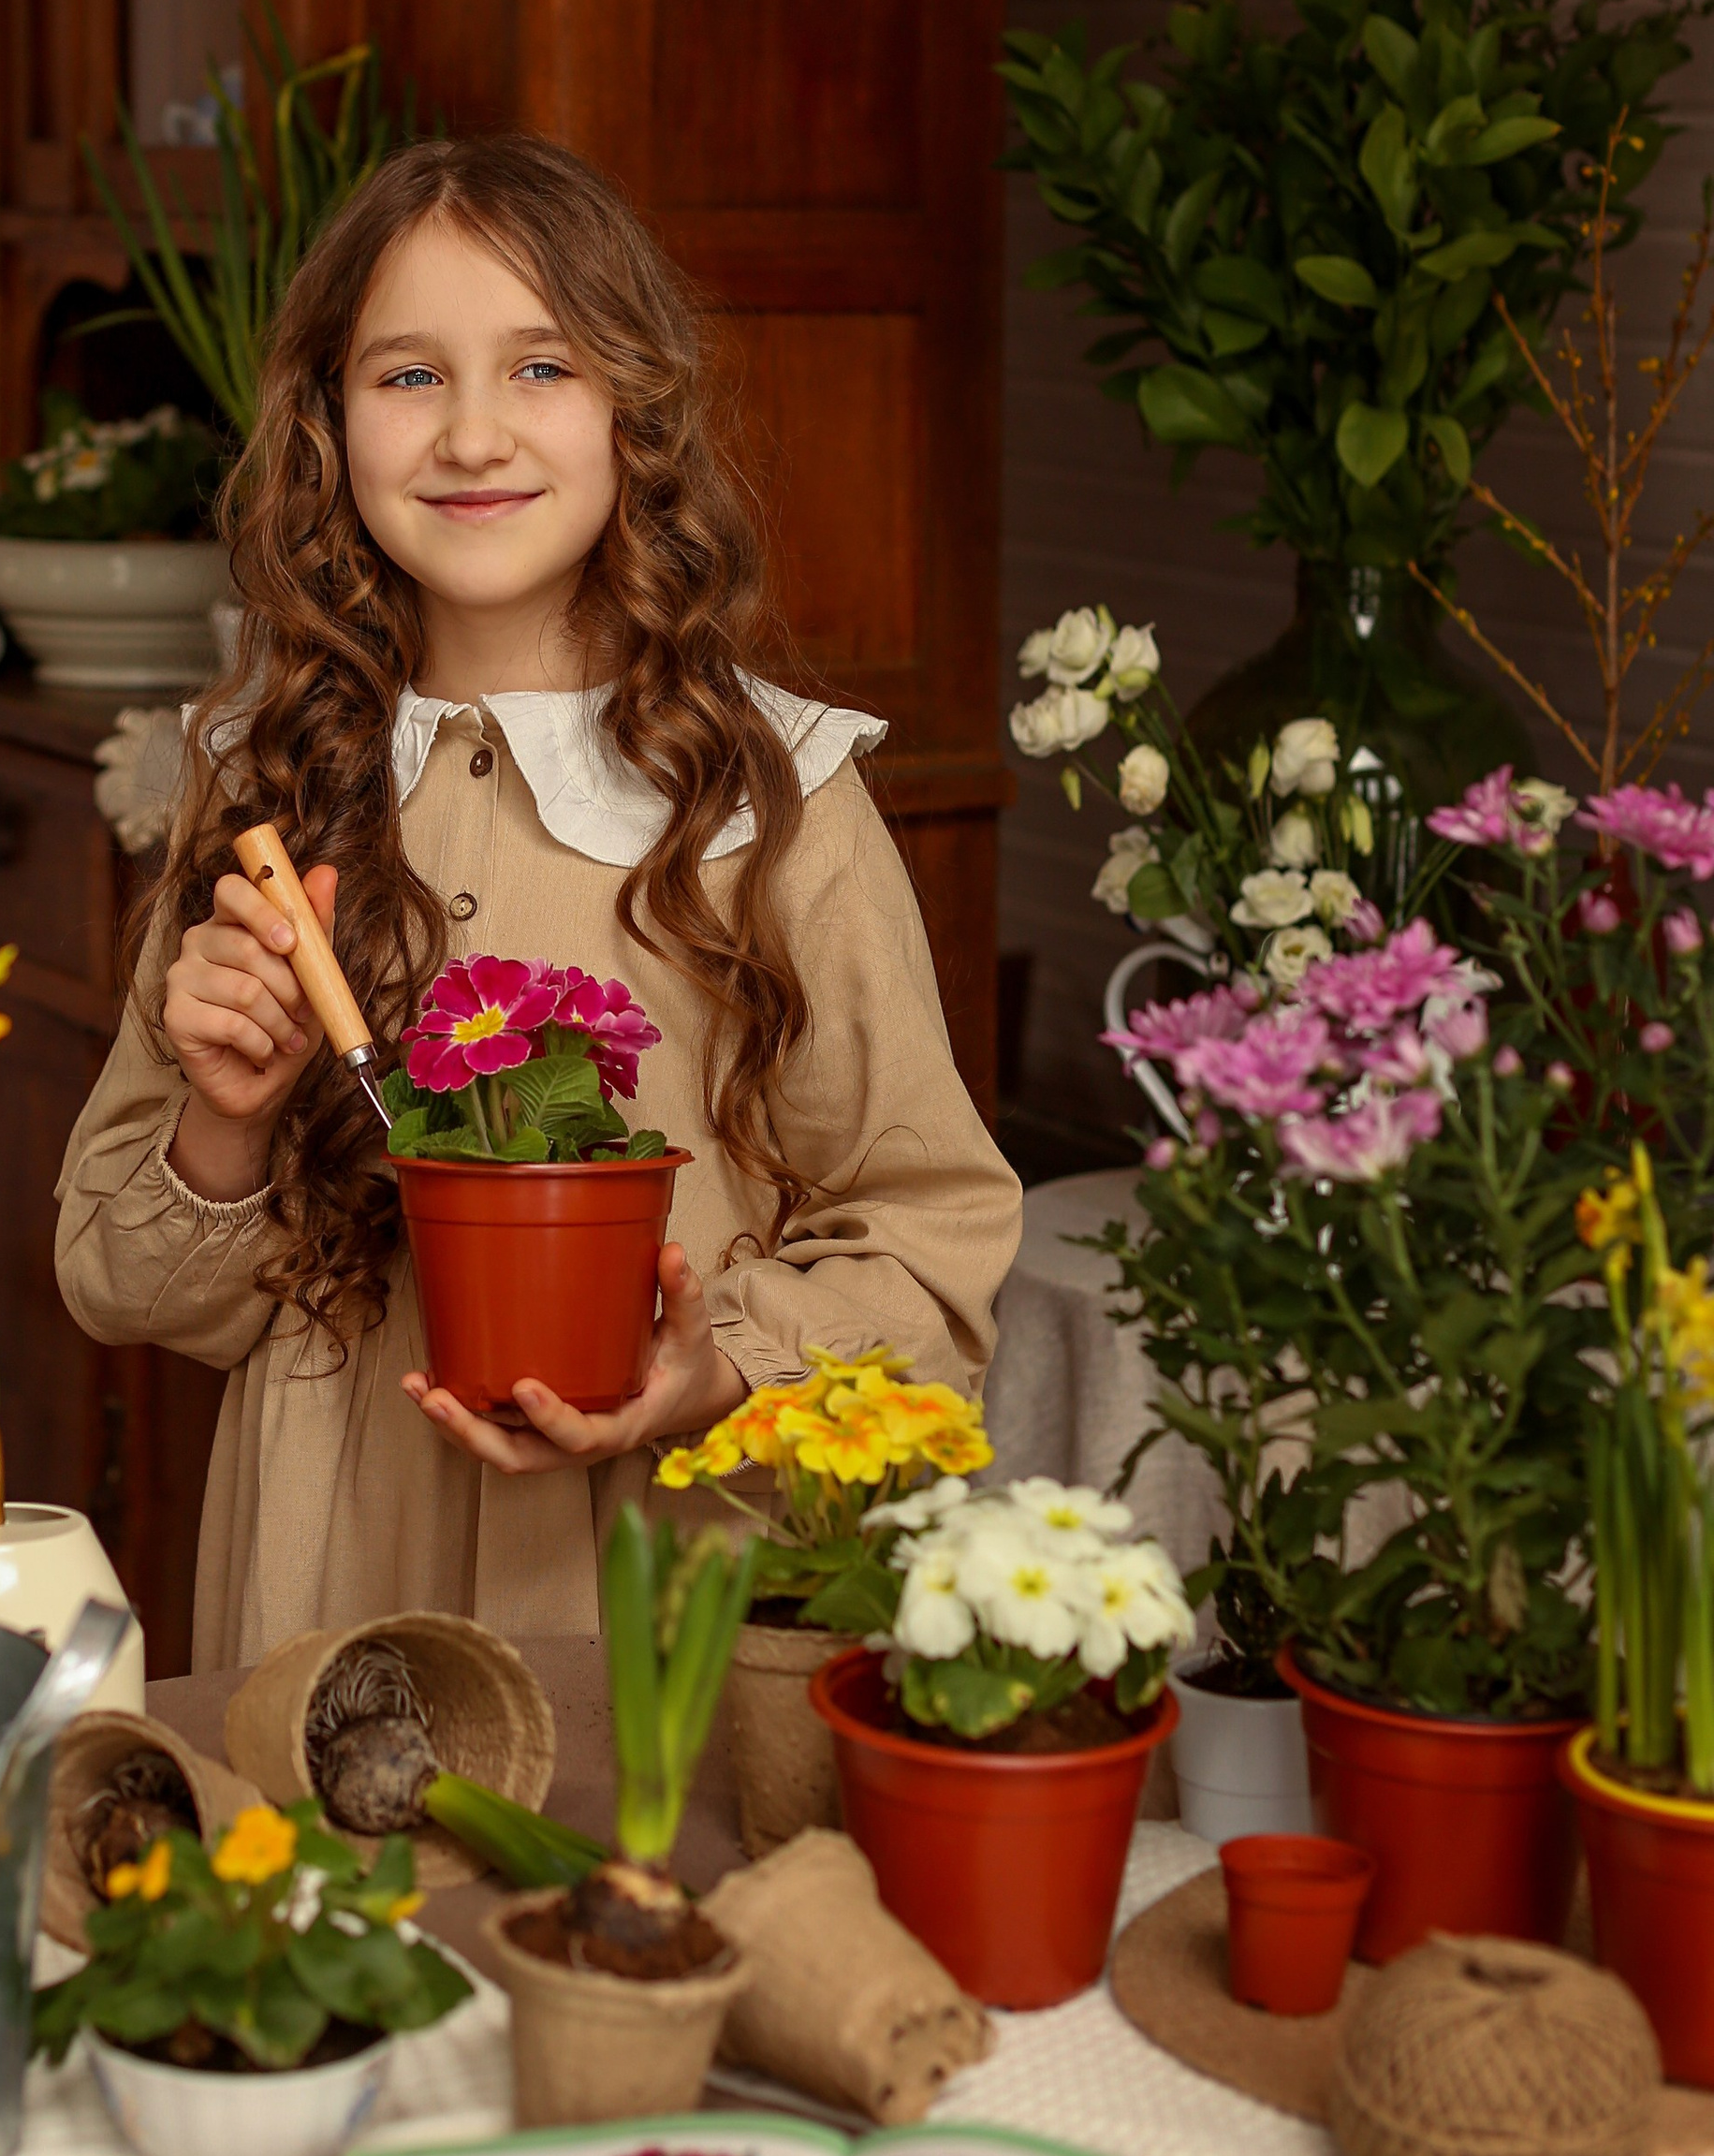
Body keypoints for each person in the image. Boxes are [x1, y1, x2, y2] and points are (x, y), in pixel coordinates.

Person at [54, 135, 1019, 1666]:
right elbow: (121, 1283)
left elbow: (931, 1245)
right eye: (410, 376)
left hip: (667, 1583)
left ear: (635, 412)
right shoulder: (262, 787)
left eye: (543, 367)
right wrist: (225, 1121)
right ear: (326, 422)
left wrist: (715, 1374)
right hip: (329, 1573)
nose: (474, 433)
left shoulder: (773, 803)